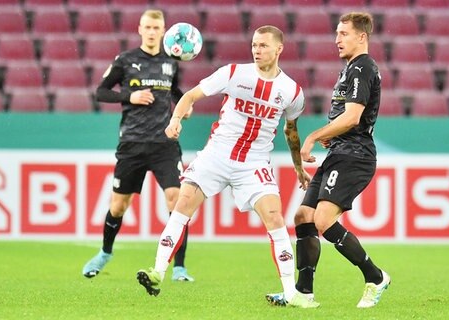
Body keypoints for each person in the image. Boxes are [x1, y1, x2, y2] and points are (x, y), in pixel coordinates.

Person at [135, 25, 319, 308]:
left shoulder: (292, 92)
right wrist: (175, 121)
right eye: (254, 45)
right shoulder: (234, 73)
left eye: (263, 46)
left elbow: (290, 131)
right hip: (217, 155)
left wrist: (297, 167)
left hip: (254, 163)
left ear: (279, 49)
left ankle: (291, 293)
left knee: (275, 218)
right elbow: (189, 97)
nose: (257, 50)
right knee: (183, 204)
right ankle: (158, 272)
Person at [266, 12, 391, 308]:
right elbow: (345, 117)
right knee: (303, 217)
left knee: (323, 219)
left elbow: (352, 117)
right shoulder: (350, 68)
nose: (337, 39)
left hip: (355, 155)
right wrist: (331, 135)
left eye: (344, 34)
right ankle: (303, 292)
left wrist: (312, 137)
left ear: (362, 37)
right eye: (336, 33)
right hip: (340, 151)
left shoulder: (362, 67)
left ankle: (375, 277)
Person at [82, 9, 194, 282]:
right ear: (140, 29)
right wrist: (130, 96)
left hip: (164, 143)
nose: (153, 31)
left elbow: (177, 93)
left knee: (177, 200)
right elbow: (101, 92)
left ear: (164, 31)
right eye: (148, 27)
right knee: (119, 206)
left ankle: (179, 267)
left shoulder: (172, 62)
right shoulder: (126, 60)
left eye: (157, 27)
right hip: (132, 143)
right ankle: (105, 252)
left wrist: (184, 106)